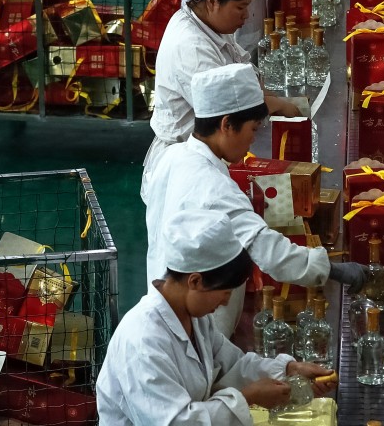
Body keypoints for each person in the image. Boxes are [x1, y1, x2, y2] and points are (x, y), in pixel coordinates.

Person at [145, 63, 370, 336]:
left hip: (164, 303)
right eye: (253, 130)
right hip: (200, 325)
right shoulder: (214, 187)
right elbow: (270, 252)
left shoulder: (173, 157)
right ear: (227, 125)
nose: (253, 140)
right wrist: (334, 270)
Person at [98, 208, 337, 424]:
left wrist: (288, 370)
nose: (226, 301)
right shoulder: (142, 343)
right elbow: (175, 422)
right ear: (195, 280)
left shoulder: (194, 318)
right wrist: (248, 398)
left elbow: (232, 365)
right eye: (224, 292)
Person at [141, 0, 300, 212]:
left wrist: (273, 98)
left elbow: (246, 77)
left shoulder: (213, 26)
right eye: (241, 7)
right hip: (185, 164)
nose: (246, 16)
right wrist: (281, 106)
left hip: (210, 152)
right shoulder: (191, 46)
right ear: (213, 1)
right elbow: (230, 110)